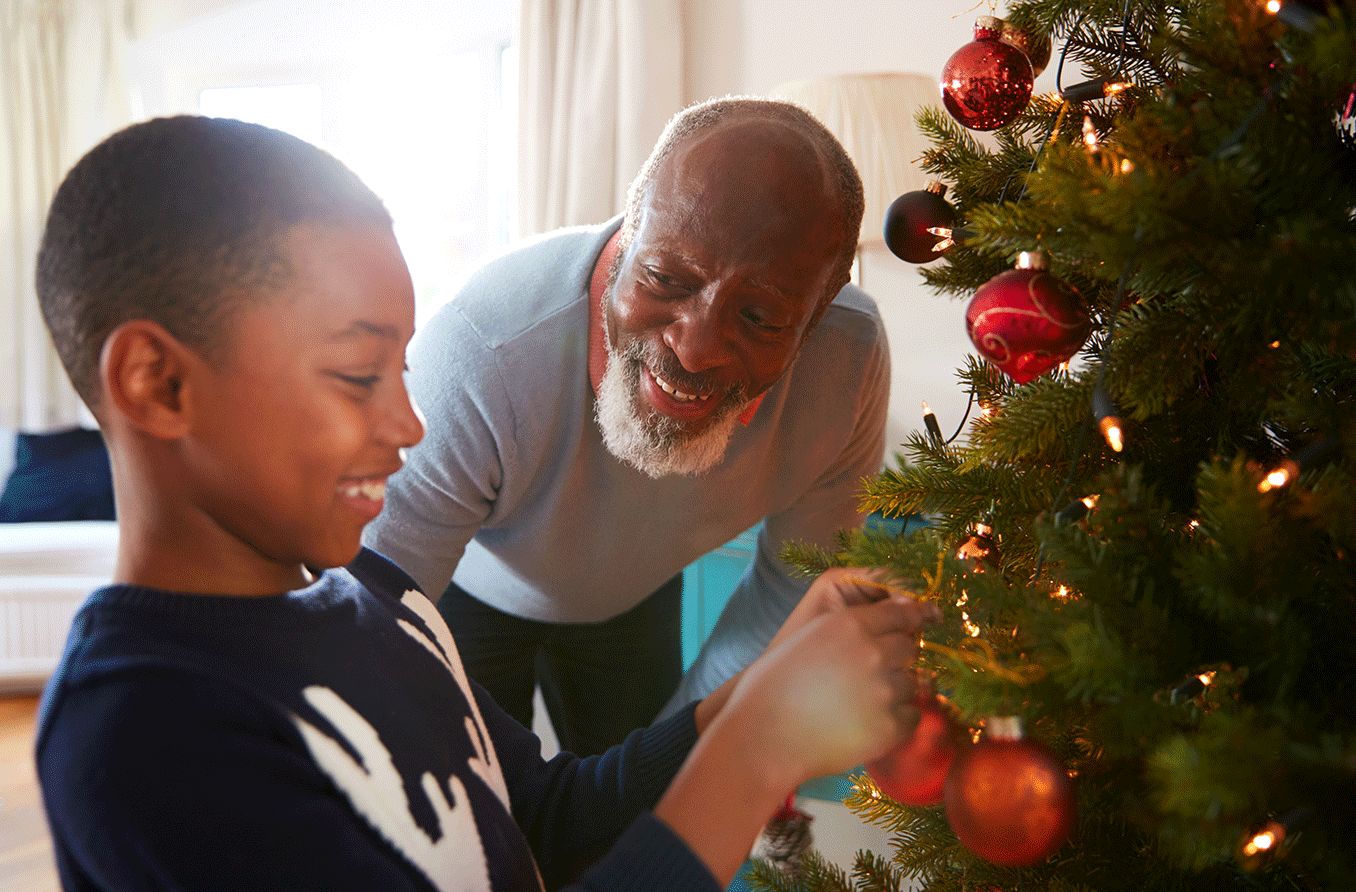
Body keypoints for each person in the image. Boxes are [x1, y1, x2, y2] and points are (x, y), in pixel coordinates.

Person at [33, 116, 935, 891]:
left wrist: (747, 700)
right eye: (357, 377)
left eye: (400, 370)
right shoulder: (144, 737)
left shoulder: (385, 612)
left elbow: (552, 810)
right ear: (159, 384)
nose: (411, 426)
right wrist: (757, 751)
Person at [364, 96, 890, 755]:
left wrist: (672, 761)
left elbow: (796, 587)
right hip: (460, 593)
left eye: (758, 318)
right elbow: (365, 615)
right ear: (623, 240)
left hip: (632, 600)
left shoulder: (850, 360)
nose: (695, 350)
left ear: (816, 321)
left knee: (630, 816)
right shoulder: (481, 354)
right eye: (665, 277)